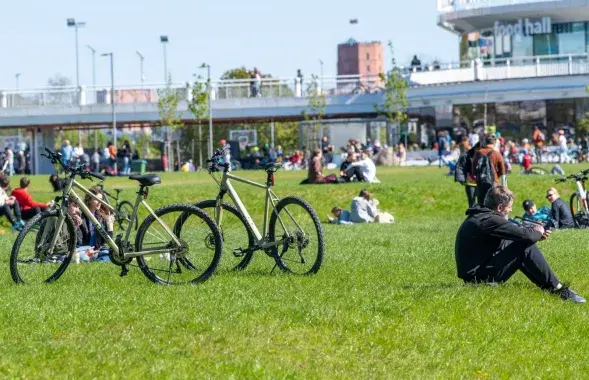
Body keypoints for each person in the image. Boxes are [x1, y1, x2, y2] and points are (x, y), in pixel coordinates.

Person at [455, 186, 585, 303]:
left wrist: (535, 235)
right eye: (509, 207)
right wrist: (537, 232)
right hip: (478, 280)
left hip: (474, 275)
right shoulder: (490, 220)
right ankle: (557, 288)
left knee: (520, 242)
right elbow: (525, 236)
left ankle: (549, 286)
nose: (511, 210)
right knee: (524, 246)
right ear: (500, 207)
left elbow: (515, 234)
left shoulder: (481, 215)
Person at [79, 186, 115, 262]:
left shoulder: (101, 217)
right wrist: (87, 250)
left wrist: (110, 226)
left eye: (101, 200)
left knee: (113, 256)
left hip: (97, 250)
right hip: (83, 249)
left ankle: (97, 259)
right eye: (96, 199)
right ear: (89, 200)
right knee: (84, 258)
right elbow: (78, 241)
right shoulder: (80, 216)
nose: (99, 202)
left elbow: (108, 242)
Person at [472, 134, 505, 203]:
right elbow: (502, 172)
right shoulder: (497, 154)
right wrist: (495, 176)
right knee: (492, 205)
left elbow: (474, 170)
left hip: (480, 182)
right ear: (495, 143)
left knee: (481, 204)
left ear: (485, 142)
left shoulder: (478, 153)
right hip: (493, 183)